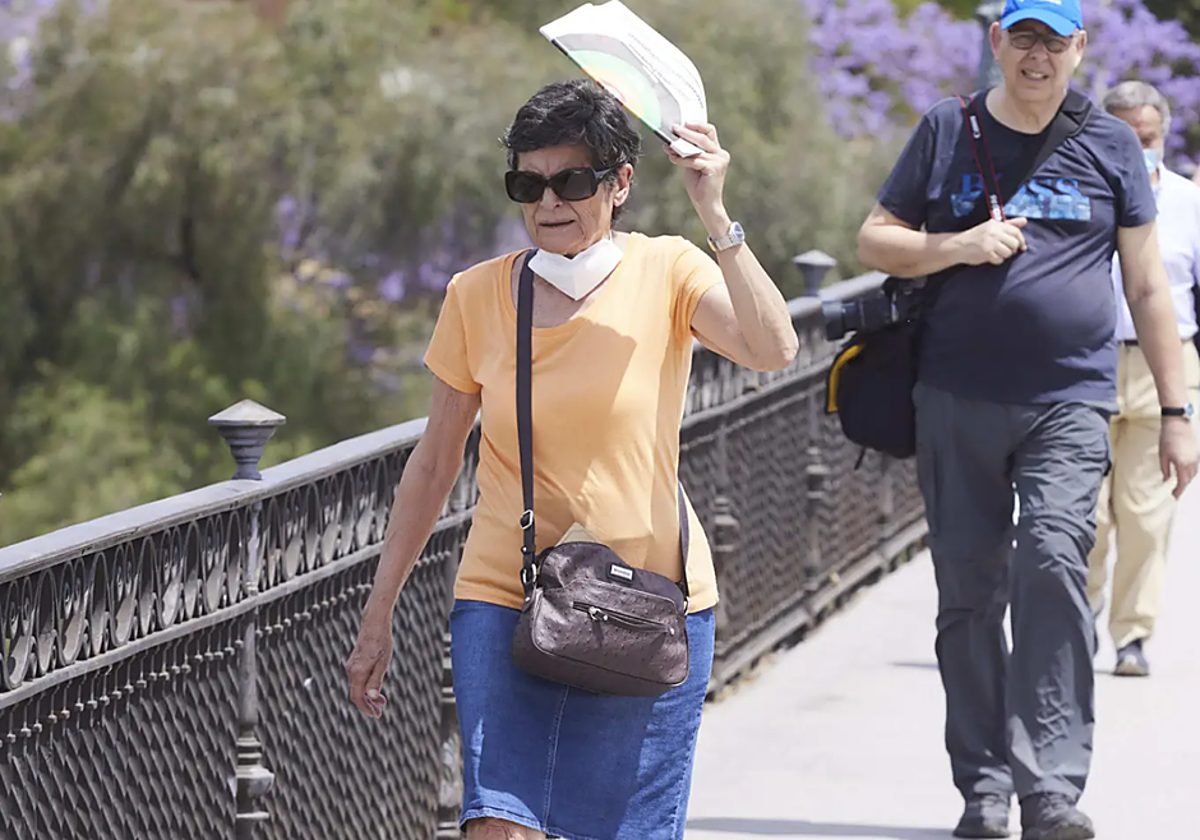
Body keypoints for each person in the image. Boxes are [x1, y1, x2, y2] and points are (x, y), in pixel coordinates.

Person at [344, 78, 798, 840]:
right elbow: (432, 464)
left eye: (571, 182)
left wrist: (716, 213)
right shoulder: (476, 295)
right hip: (505, 594)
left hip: (648, 602)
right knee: (498, 824)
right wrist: (379, 610)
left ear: (620, 184)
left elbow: (773, 348)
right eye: (528, 183)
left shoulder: (669, 271)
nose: (548, 202)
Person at [855, 1, 1198, 838]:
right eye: (1024, 39)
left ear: (1078, 49)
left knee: (1052, 563)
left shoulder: (1111, 143)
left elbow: (1149, 288)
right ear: (997, 43)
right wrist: (957, 247)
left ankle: (1050, 786)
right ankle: (983, 786)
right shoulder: (948, 127)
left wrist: (1179, 410)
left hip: (1070, 400)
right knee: (968, 594)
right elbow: (875, 239)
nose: (1037, 57)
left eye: (1054, 41)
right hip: (955, 395)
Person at [1087, 81, 1200, 678]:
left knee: (1146, 511)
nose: (1138, 148)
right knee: (1088, 513)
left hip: (1165, 366)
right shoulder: (1081, 196)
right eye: (1126, 137)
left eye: (1148, 138)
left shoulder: (1188, 203)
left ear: (1163, 138)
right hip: (1085, 362)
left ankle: (1132, 634)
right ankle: (1081, 614)